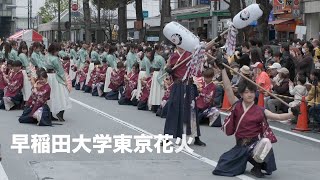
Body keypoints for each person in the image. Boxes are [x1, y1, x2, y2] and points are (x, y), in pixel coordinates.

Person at [212, 58, 299, 178]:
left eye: (252, 92)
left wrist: (292, 114)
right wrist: (223, 70)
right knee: (222, 166)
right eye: (247, 92)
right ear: (241, 94)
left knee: (265, 142)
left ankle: (257, 167)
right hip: (240, 145)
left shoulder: (260, 110)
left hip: (254, 146)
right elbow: (227, 88)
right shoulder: (237, 104)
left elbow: (278, 116)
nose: (250, 94)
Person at [163, 46, 206, 146]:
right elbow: (168, 68)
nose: (181, 47)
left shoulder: (190, 54)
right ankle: (167, 137)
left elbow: (196, 69)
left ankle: (196, 136)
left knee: (192, 111)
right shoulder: (174, 56)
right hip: (178, 85)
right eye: (179, 45)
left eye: (182, 45)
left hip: (189, 85)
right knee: (173, 110)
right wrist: (168, 69)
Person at [44, 43, 72, 122]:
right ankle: (60, 113)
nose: (58, 52)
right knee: (62, 94)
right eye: (57, 50)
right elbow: (60, 70)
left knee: (50, 95)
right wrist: (65, 79)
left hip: (48, 76)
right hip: (55, 77)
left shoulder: (46, 56)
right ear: (53, 50)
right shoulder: (55, 59)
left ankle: (50, 113)